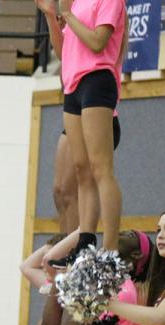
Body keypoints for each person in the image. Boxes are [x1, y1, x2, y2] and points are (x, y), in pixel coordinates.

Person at [35, 0, 127, 264]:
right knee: (81, 170)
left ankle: (110, 250)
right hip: (73, 85)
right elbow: (65, 52)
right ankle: (85, 241)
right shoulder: (77, 3)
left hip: (97, 80)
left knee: (101, 169)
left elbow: (98, 42)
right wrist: (52, 17)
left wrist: (68, 15)